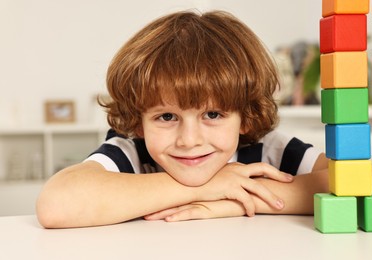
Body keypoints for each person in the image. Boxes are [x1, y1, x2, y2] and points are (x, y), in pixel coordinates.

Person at [36, 10, 328, 228]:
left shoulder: (267, 148)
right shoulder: (132, 151)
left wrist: (237, 200)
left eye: (212, 114)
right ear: (139, 121)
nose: (189, 140)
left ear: (246, 117)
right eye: (166, 116)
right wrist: (208, 187)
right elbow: (56, 204)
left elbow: (358, 182)